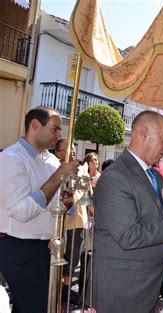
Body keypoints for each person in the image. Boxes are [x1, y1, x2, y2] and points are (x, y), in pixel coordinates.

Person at [90, 110, 163, 313]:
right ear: (143, 133)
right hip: (124, 289)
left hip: (147, 285)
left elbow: (160, 211)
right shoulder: (116, 177)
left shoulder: (153, 175)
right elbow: (128, 235)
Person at [0, 107, 79, 313]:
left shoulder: (51, 160)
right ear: (35, 125)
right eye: (55, 129)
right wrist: (57, 176)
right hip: (21, 248)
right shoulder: (12, 158)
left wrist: (68, 201)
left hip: (47, 248)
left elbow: (56, 206)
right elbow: (21, 211)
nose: (59, 135)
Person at [54, 138, 82, 305]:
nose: (72, 152)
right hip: (62, 223)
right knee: (60, 256)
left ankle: (66, 288)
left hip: (78, 221)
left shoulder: (79, 171)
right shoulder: (55, 169)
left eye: (73, 149)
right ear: (58, 153)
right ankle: (56, 287)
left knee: (73, 258)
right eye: (67, 149)